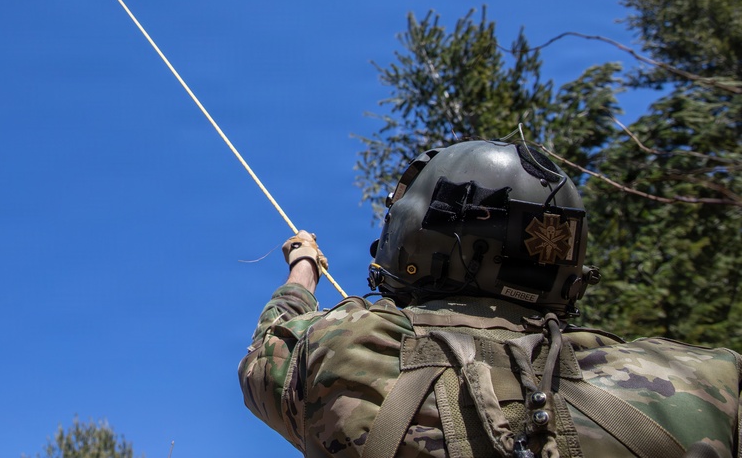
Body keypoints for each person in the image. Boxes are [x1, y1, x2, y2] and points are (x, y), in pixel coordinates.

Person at [239, 139, 742, 458]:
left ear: (417, 237)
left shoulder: (344, 348)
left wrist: (303, 262)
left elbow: (268, 350)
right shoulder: (714, 382)